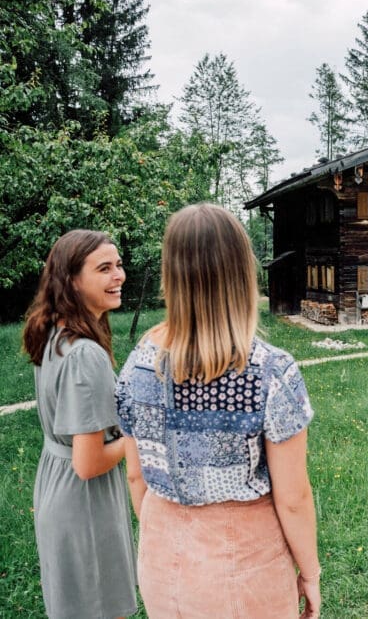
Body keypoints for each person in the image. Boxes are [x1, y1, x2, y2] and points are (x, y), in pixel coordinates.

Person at [116, 203, 321, 618]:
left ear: (171, 274)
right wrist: (311, 573)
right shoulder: (269, 371)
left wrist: (171, 532)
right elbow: (294, 498)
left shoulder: (138, 364)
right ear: (241, 272)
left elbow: (135, 474)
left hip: (160, 556)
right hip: (244, 561)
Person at [22, 230, 138, 619]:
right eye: (104, 269)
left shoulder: (54, 331)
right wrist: (141, 433)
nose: (118, 275)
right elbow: (88, 464)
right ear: (71, 281)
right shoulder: (85, 353)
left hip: (57, 485)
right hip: (83, 503)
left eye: (118, 265)